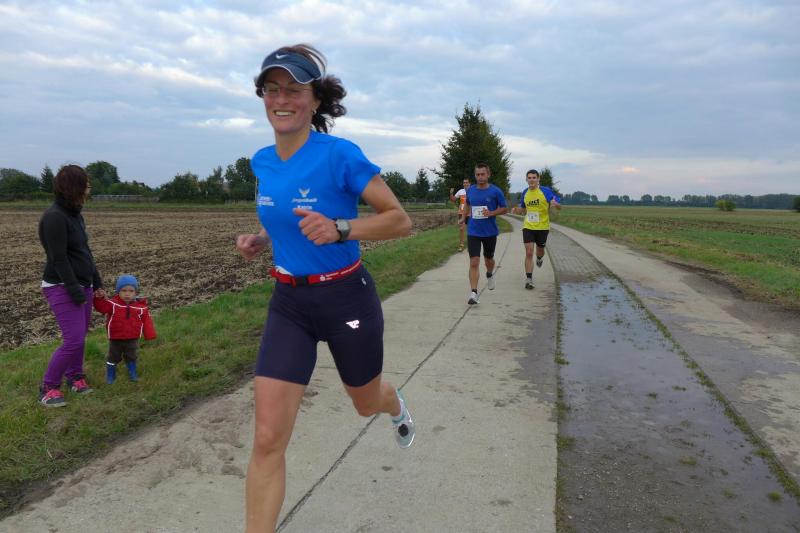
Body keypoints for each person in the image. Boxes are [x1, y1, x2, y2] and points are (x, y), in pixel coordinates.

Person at [236, 44, 415, 533]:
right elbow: (282, 216)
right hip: (289, 304)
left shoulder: (340, 155)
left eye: (294, 89)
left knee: (364, 403)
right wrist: (261, 239)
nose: (281, 99)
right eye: (272, 89)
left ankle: (393, 401)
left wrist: (341, 229)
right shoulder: (261, 161)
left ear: (316, 100)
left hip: (345, 297)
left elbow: (399, 220)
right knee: (267, 439)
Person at [37, 164, 106, 407]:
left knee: (80, 337)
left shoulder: (75, 214)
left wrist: (96, 283)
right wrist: (75, 290)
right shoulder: (54, 217)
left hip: (83, 284)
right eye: (86, 183)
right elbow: (59, 258)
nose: (89, 187)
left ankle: (75, 378)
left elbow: (84, 251)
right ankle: (48, 388)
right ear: (74, 186)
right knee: (73, 340)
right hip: (61, 286)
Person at [93, 274, 157, 384]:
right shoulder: (112, 304)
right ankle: (111, 376)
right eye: (124, 290)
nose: (127, 293)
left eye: (131, 291)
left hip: (132, 338)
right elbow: (101, 308)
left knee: (131, 356)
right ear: (118, 291)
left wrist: (149, 335)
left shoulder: (141, 307)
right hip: (115, 338)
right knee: (113, 357)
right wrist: (98, 298)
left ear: (135, 292)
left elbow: (147, 321)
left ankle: (133, 374)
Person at [460, 163, 507, 304]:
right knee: (474, 261)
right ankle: (474, 293)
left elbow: (504, 208)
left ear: (488, 174)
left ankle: (489, 273)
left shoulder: (496, 191)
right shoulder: (471, 190)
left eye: (482, 174)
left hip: (489, 232)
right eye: (477, 174)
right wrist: (463, 217)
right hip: (473, 231)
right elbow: (467, 204)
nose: (480, 177)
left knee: (489, 260)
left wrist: (491, 213)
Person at [512, 169, 561, 289]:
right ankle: (529, 279)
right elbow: (522, 209)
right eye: (529, 178)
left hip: (543, 227)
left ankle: (539, 258)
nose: (532, 180)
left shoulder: (545, 191)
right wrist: (516, 210)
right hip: (528, 226)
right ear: (526, 179)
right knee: (529, 252)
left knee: (540, 250)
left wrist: (556, 204)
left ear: (538, 179)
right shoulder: (525, 192)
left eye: (534, 177)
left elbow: (558, 206)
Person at [449, 178, 471, 251]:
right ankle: (461, 245)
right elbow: (453, 200)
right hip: (461, 212)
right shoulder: (460, 191)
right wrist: (451, 193)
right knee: (461, 229)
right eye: (464, 182)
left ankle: (471, 244)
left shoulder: (473, 191)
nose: (465, 184)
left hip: (470, 213)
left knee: (470, 229)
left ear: (469, 183)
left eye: (467, 182)